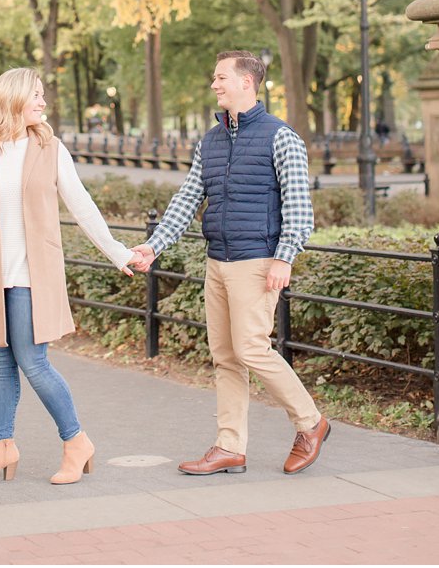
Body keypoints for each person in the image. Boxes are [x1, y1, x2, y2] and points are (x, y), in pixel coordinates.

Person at [126, 50, 330, 476]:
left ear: (246, 83)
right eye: (214, 78)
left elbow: (298, 206)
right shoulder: (211, 139)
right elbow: (187, 198)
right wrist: (154, 246)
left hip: (257, 260)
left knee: (253, 348)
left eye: (221, 78)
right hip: (217, 260)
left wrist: (285, 257)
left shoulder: (281, 137)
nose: (215, 85)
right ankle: (229, 446)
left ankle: (310, 423)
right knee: (225, 356)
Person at [0, 67, 137, 485]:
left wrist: (118, 253)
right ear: (13, 98)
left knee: (33, 363)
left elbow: (82, 206)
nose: (43, 102)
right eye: (36, 94)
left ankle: (76, 441)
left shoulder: (50, 148)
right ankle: (1, 447)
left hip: (35, 275)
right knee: (0, 363)